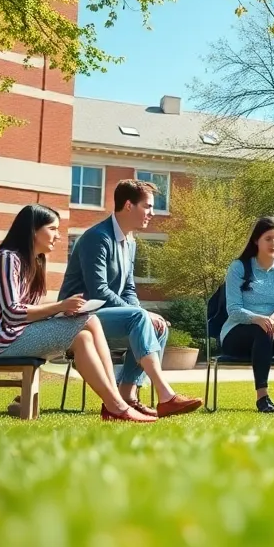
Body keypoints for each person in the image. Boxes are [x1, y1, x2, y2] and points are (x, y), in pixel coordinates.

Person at [0, 204, 154, 423]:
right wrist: (60, 306)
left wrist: (63, 312)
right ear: (33, 230)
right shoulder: (5, 259)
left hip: (10, 334)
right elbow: (13, 314)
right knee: (90, 321)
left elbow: (28, 313)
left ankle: (114, 404)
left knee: (83, 336)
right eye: (52, 229)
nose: (58, 236)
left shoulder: (34, 262)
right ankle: (116, 404)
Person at [59, 179, 202, 418]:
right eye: (147, 206)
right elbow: (99, 290)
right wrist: (141, 313)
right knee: (140, 317)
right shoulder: (97, 237)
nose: (152, 213)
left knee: (158, 326)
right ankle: (166, 395)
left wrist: (144, 314)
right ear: (128, 205)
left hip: (107, 316)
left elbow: (128, 289)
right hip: (77, 318)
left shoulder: (130, 241)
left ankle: (127, 396)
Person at [219, 216, 274, 414]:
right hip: (237, 334)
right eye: (268, 239)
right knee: (262, 329)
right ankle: (262, 397)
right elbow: (233, 309)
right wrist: (258, 319)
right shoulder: (239, 267)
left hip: (272, 333)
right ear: (256, 240)